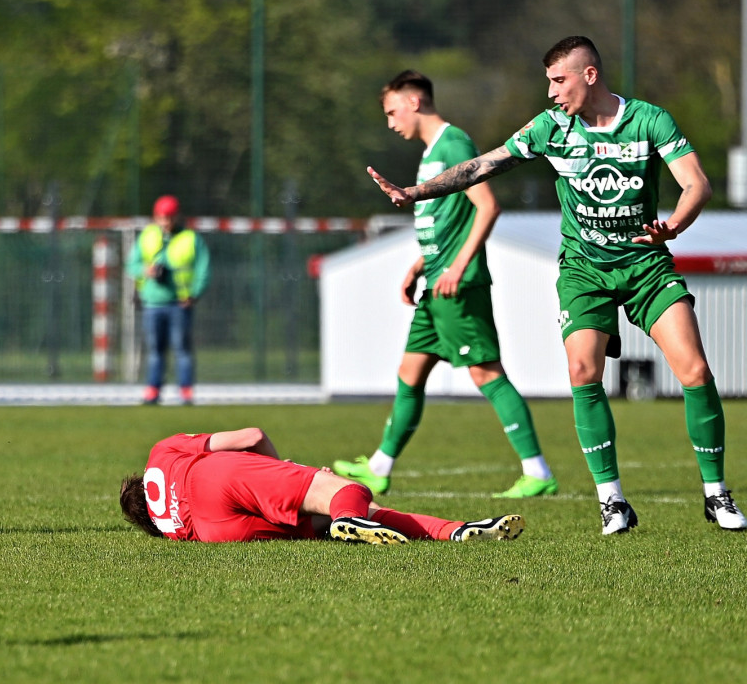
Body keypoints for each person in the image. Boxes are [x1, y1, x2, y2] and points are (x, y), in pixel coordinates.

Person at [366, 35, 747, 535]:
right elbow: (484, 165)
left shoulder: (649, 120)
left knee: (695, 370)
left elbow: (696, 183)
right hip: (584, 270)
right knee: (583, 370)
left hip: (646, 266)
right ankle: (612, 501)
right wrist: (415, 193)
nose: (550, 92)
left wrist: (673, 224)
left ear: (589, 75)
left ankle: (716, 494)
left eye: (558, 80)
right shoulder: (551, 127)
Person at [333, 71, 557, 500]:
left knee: (486, 372)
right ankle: (379, 468)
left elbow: (487, 207)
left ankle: (537, 471)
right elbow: (447, 221)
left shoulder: (453, 144)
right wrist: (419, 265)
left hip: (458, 286)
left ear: (414, 102)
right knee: (409, 372)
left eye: (392, 112)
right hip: (435, 285)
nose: (390, 122)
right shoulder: (432, 153)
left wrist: (456, 266)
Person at [120, 426, 525, 544]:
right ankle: (347, 519)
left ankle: (454, 531)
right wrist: (285, 471)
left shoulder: (167, 530)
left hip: (215, 531)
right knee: (347, 492)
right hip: (214, 478)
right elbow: (251, 436)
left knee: (330, 517)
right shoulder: (160, 454)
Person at [126, 195, 210, 406]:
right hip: (153, 303)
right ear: (156, 217)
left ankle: (186, 391)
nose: (166, 221)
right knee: (155, 349)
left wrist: (194, 293)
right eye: (162, 217)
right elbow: (131, 265)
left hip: (180, 303)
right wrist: (146, 270)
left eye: (170, 217)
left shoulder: (190, 238)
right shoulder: (147, 236)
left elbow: (203, 268)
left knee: (182, 348)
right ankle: (153, 390)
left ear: (177, 216)